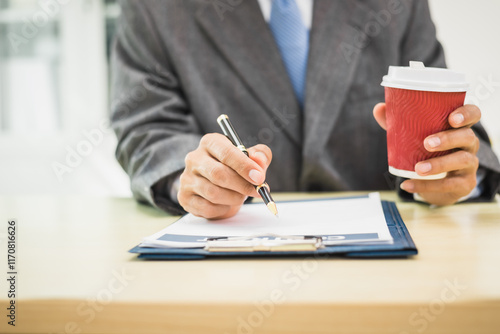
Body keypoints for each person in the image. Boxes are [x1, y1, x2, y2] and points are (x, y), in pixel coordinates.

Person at [110, 0, 500, 219]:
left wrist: (458, 173)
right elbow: (145, 125)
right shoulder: (154, 8)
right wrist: (192, 179)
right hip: (228, 264)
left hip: (388, 262)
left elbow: (450, 125)